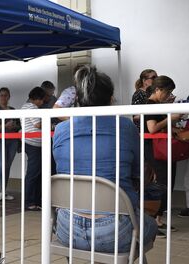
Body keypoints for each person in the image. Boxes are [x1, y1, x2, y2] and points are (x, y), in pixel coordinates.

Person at [53, 66, 157, 253]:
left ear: (78, 99)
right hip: (115, 231)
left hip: (66, 229)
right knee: (149, 224)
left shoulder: (61, 130)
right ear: (110, 99)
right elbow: (138, 173)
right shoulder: (125, 126)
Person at [143, 76, 181, 237]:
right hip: (153, 150)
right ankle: (150, 221)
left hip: (161, 149)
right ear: (157, 90)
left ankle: (157, 220)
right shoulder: (150, 105)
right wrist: (169, 119)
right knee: (160, 184)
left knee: (166, 183)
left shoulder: (157, 105)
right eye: (167, 92)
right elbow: (152, 128)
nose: (168, 95)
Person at [0, 87, 21, 201]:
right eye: (1, 95)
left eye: (5, 95)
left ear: (9, 97)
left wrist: (13, 126)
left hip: (12, 141)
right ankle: (1, 190)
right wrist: (4, 125)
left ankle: (4, 191)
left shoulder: (13, 110)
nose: (3, 97)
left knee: (7, 166)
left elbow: (19, 125)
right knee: (1, 164)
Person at [21, 87, 46, 211]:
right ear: (37, 99)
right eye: (42, 100)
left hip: (29, 143)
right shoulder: (32, 107)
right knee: (33, 173)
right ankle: (30, 202)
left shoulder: (25, 106)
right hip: (34, 144)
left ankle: (35, 201)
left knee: (36, 173)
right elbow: (37, 124)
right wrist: (50, 124)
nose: (42, 103)